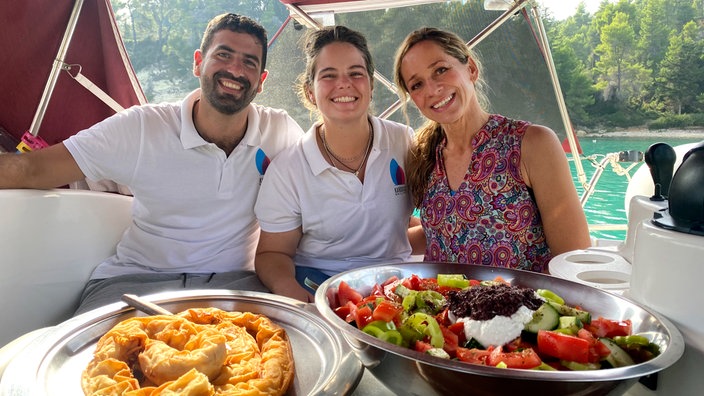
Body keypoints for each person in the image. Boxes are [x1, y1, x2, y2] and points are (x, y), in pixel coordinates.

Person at [0, 13, 303, 314]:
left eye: (249, 62)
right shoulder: (142, 127)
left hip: (234, 284)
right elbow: (34, 168)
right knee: (98, 361)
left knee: (283, 357)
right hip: (136, 282)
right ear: (198, 62)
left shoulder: (280, 131)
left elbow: (324, 170)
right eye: (223, 55)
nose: (235, 70)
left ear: (261, 81)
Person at [392, 27, 591, 273]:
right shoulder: (423, 156)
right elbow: (450, 230)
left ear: (471, 69)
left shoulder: (532, 144)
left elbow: (572, 257)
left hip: (521, 309)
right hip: (440, 308)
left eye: (441, 70)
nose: (432, 90)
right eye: (417, 84)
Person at [254, 25, 417, 302]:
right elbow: (273, 253)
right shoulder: (288, 169)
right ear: (309, 92)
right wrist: (296, 296)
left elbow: (421, 227)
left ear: (371, 84)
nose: (344, 83)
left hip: (396, 287)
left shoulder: (403, 140)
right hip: (319, 286)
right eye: (329, 76)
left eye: (356, 73)